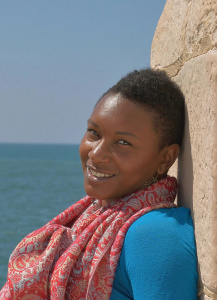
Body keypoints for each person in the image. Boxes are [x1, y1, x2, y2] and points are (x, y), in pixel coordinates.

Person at [0, 69, 198, 300]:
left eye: (123, 142)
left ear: (165, 158)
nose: (96, 153)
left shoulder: (154, 234)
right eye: (94, 132)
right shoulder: (95, 214)